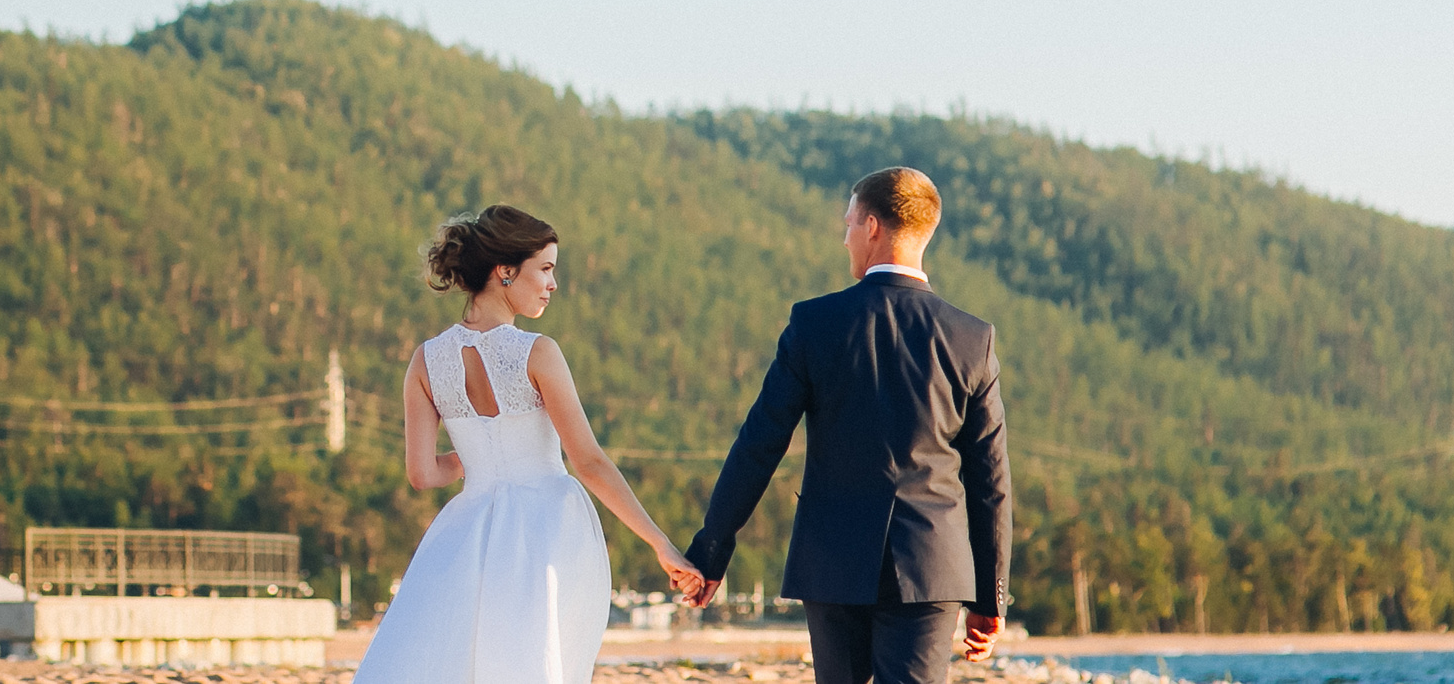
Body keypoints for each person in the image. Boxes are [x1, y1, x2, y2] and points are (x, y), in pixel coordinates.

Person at [680, 167, 1012, 684]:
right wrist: (990, 596)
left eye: (850, 222)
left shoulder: (814, 324)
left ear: (874, 227)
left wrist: (713, 547)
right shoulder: (972, 338)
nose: (846, 236)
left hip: (831, 562)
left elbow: (760, 443)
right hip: (932, 566)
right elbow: (991, 482)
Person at [356, 205, 706, 684]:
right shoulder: (536, 353)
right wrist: (661, 545)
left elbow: (422, 475)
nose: (553, 283)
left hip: (468, 531)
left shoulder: (426, 360)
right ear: (505, 270)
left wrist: (473, 457)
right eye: (545, 268)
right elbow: (588, 461)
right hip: (545, 530)